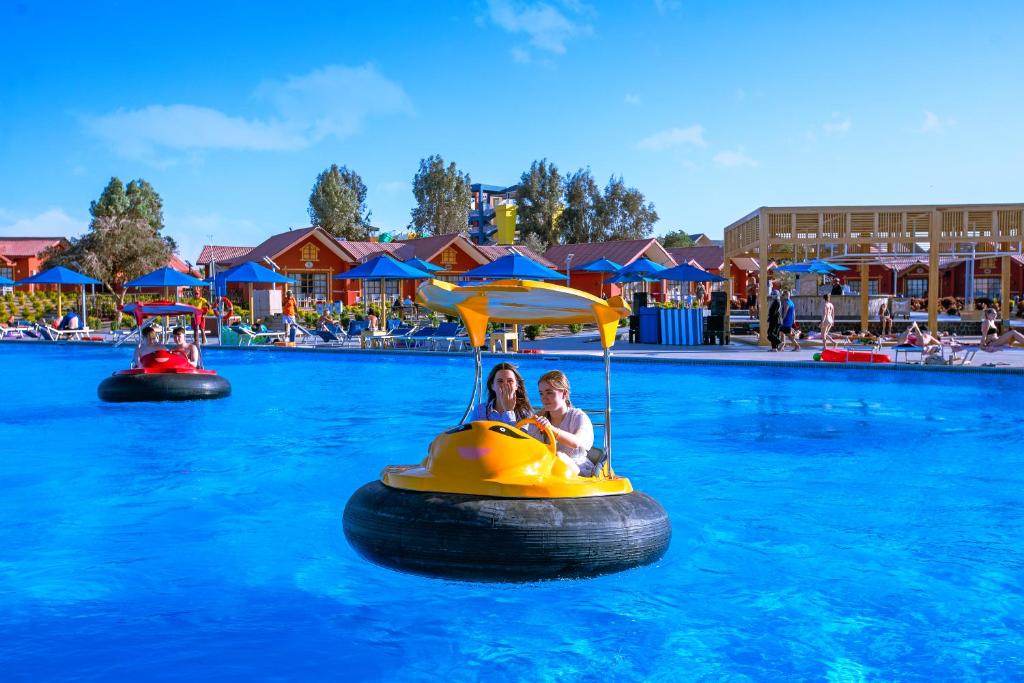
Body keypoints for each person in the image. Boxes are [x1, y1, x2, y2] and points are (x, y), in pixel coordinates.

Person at [526, 370, 596, 477]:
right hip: (546, 468)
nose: (544, 397)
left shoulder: (579, 417)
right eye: (541, 393)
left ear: (564, 394)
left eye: (549, 392)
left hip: (577, 470)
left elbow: (576, 442)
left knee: (559, 457)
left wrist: (550, 428)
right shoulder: (538, 418)